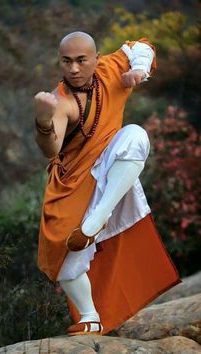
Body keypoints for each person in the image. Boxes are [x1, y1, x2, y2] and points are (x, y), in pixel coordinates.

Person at [34, 31, 181, 336]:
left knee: (136, 136)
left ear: (97, 58)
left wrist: (138, 72)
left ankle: (97, 220)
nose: (73, 68)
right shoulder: (61, 100)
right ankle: (90, 317)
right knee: (61, 249)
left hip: (108, 166)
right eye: (66, 61)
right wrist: (44, 122)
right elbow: (52, 149)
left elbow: (143, 46)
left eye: (81, 60)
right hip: (72, 180)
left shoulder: (112, 69)